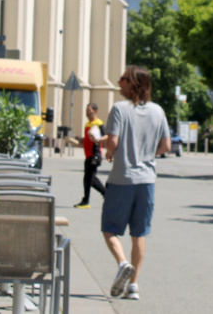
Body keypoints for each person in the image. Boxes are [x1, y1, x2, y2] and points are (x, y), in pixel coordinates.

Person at [101, 65, 171, 301]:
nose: (119, 83)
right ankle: (134, 286)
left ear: (135, 84)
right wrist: (147, 154)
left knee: (110, 229)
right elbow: (166, 147)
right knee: (139, 234)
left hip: (122, 178)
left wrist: (112, 153)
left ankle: (122, 263)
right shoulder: (158, 111)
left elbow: (112, 141)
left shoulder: (119, 109)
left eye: (124, 79)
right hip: (147, 180)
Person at [75, 102, 107, 208]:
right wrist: (81, 141)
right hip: (88, 155)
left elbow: (106, 135)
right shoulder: (87, 124)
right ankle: (86, 200)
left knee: (90, 179)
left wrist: (99, 139)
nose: (87, 112)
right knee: (88, 179)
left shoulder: (99, 123)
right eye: (86, 110)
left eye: (89, 110)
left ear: (95, 111)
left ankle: (105, 194)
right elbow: (88, 139)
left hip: (95, 154)